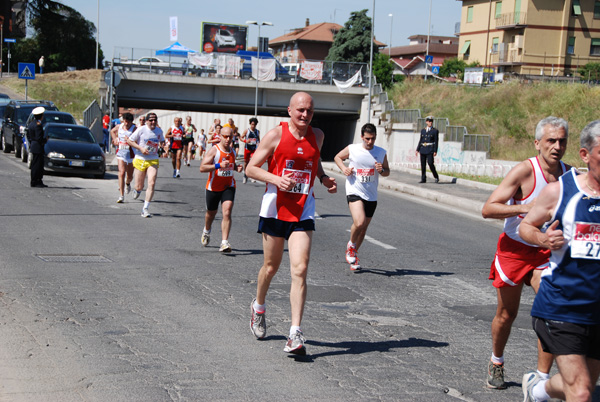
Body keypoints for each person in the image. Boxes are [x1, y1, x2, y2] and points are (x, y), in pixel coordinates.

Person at [246, 92, 337, 355]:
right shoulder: (275, 135)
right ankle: (259, 307)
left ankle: (295, 333)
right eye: (300, 110)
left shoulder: (317, 135)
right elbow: (251, 168)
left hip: (303, 210)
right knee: (271, 267)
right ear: (289, 111)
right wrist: (275, 179)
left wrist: (323, 178)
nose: (305, 115)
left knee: (300, 269)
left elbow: (313, 159)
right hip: (275, 209)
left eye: (309, 111)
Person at [481, 116, 570, 390]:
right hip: (513, 250)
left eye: (562, 141)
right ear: (537, 143)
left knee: (552, 312)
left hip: (545, 253)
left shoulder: (570, 175)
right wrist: (524, 207)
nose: (557, 146)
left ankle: (541, 378)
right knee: (507, 314)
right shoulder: (524, 171)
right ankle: (497, 361)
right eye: (551, 141)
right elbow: (488, 209)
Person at [519, 120, 600, 402]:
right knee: (581, 391)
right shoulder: (561, 191)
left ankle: (538, 390)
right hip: (562, 305)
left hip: (597, 307)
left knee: (583, 384)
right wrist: (543, 239)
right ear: (585, 155)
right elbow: (525, 227)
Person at [334, 123, 390, 271]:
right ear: (362, 137)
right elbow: (338, 157)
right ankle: (351, 245)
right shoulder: (353, 149)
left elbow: (387, 172)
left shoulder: (381, 152)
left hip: (371, 194)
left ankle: (353, 254)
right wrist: (344, 169)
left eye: (372, 139)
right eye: (367, 139)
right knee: (359, 222)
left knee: (364, 229)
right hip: (354, 190)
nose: (370, 142)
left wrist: (382, 170)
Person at [199, 127, 243, 252]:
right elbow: (202, 167)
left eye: (230, 137)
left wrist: (236, 168)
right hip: (213, 187)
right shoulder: (215, 150)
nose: (228, 139)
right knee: (211, 213)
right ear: (220, 136)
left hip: (228, 186)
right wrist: (218, 165)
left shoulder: (233, 151)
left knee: (227, 212)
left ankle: (224, 242)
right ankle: (206, 230)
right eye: (225, 136)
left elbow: (231, 165)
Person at [126, 112, 165, 218]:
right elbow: (130, 141)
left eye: (155, 120)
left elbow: (162, 140)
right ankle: (137, 190)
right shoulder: (141, 129)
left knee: (151, 183)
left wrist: (162, 144)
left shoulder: (159, 130)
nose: (153, 122)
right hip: (140, 158)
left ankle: (145, 208)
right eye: (151, 120)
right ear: (147, 121)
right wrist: (141, 148)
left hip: (153, 159)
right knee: (139, 186)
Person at [111, 112, 136, 203]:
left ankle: (127, 183)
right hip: (121, 153)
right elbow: (112, 131)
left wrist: (129, 141)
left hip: (131, 155)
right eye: (125, 121)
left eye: (129, 122)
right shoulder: (119, 126)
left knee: (129, 176)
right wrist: (115, 139)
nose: (127, 123)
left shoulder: (134, 129)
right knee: (121, 173)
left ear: (131, 122)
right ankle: (121, 196)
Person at [27, 107, 47, 188]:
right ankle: (36, 180)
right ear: (41, 116)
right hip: (38, 148)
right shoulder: (38, 125)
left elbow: (29, 136)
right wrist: (45, 140)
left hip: (34, 146)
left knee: (35, 164)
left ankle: (35, 180)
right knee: (38, 165)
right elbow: (39, 138)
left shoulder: (31, 124)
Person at [415, 116, 440, 183]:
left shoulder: (435, 131)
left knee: (430, 163)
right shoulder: (423, 130)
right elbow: (421, 140)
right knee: (423, 165)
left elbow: (436, 141)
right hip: (423, 149)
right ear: (426, 122)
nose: (430, 122)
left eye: (431, 121)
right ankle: (423, 178)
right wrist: (417, 149)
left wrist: (435, 151)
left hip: (430, 149)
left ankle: (436, 176)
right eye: (429, 121)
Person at [240, 117, 260, 184]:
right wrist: (246, 141)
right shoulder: (247, 131)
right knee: (246, 162)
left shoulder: (257, 131)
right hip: (247, 148)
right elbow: (241, 138)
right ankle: (245, 175)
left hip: (253, 149)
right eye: (252, 124)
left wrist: (259, 145)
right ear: (250, 124)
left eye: (254, 125)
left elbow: (258, 140)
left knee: (253, 161)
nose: (253, 126)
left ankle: (251, 176)